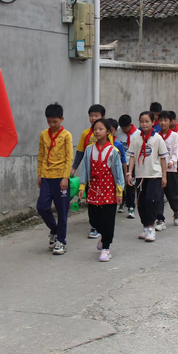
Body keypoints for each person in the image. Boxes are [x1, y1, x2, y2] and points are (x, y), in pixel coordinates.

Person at [78, 119, 124, 262]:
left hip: (109, 190)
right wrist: (82, 186)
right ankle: (103, 235)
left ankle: (106, 248)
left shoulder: (113, 151)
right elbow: (85, 169)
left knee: (108, 219)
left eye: (101, 129)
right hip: (94, 190)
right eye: (95, 129)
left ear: (108, 132)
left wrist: (119, 191)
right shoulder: (89, 149)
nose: (97, 132)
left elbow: (118, 172)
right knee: (94, 219)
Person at [37, 103, 73, 255]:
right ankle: (54, 230)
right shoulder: (43, 134)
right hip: (46, 177)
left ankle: (61, 241)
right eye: (49, 121)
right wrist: (39, 174)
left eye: (55, 122)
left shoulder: (66, 135)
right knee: (42, 207)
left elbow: (68, 158)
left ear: (62, 119)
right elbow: (41, 155)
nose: (52, 125)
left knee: (62, 211)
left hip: (60, 178)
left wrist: (65, 177)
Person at [71, 104, 112, 239]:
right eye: (91, 115)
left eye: (96, 116)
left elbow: (111, 153)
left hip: (104, 175)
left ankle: (103, 223)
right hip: (90, 174)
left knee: (103, 199)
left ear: (103, 117)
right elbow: (80, 152)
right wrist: (74, 167)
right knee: (91, 199)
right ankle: (94, 226)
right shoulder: (85, 134)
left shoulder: (107, 134)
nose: (93, 118)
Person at [127, 112, 168, 242]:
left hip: (154, 175)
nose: (144, 124)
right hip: (140, 176)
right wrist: (129, 172)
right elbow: (132, 156)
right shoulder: (136, 138)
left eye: (147, 121)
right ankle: (145, 226)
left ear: (152, 122)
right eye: (142, 121)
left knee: (151, 200)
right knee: (141, 203)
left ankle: (151, 227)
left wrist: (164, 176)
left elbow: (163, 158)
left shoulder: (157, 138)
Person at [157, 111, 178, 228]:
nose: (163, 123)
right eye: (161, 120)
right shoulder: (157, 136)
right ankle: (160, 219)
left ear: (170, 121)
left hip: (170, 169)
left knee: (171, 195)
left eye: (165, 120)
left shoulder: (174, 135)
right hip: (158, 171)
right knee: (158, 196)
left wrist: (172, 161)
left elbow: (176, 151)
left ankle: (176, 211)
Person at [115, 114, 141, 218]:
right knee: (121, 183)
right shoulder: (117, 131)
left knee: (130, 183)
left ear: (130, 125)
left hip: (132, 162)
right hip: (120, 162)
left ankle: (131, 206)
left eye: (125, 128)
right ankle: (122, 202)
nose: (123, 130)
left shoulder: (138, 134)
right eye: (121, 127)